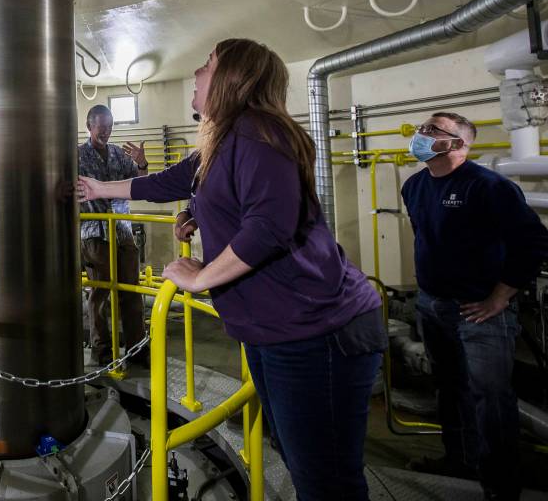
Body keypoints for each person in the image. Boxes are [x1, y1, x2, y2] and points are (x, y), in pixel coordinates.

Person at [77, 38, 386, 500]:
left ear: (233, 79)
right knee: (299, 455)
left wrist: (200, 277)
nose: (198, 74)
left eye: (207, 65)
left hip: (316, 331)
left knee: (326, 479)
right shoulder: (224, 141)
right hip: (276, 329)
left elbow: (270, 226)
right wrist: (101, 191)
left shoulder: (258, 132)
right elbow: (173, 182)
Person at [402, 112, 548, 500]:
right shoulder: (414, 186)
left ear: (457, 144)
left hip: (480, 312)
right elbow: (428, 238)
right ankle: (460, 462)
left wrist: (500, 296)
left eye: (432, 130)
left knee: (491, 398)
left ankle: (500, 487)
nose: (420, 134)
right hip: (433, 306)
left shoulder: (488, 187)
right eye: (422, 127)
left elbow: (533, 242)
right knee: (449, 388)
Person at [78, 104, 149, 366]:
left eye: (110, 127)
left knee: (132, 291)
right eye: (101, 127)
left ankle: (137, 350)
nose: (106, 132)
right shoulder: (76, 156)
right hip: (95, 234)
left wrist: (142, 163)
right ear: (89, 126)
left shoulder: (120, 156)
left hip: (122, 233)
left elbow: (140, 183)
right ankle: (102, 351)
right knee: (100, 295)